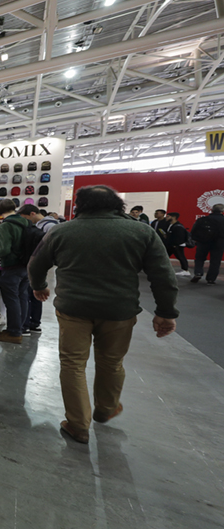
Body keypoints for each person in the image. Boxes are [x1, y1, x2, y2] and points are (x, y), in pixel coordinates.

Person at [28, 185, 177, 444]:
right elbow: (163, 275)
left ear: (79, 205)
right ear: (117, 204)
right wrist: (165, 312)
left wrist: (39, 286)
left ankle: (77, 424)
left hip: (73, 308)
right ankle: (106, 408)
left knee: (72, 364)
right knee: (112, 362)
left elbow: (36, 263)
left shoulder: (63, 231)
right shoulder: (141, 231)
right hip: (119, 310)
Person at [0, 199, 32, 343]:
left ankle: (14, 333)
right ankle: (19, 328)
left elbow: (3, 249)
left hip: (11, 267)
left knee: (12, 300)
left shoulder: (6, 225)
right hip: (25, 266)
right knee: (22, 297)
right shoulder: (26, 221)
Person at [17, 204, 46, 333]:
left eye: (25, 218)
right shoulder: (43, 226)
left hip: (33, 266)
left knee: (28, 295)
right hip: (36, 266)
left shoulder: (43, 226)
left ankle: (26, 325)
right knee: (33, 295)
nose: (25, 221)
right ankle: (33, 323)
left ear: (32, 214)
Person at [189, 203, 224, 284]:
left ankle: (198, 273)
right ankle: (211, 279)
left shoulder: (203, 219)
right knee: (215, 261)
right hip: (219, 243)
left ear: (211, 210)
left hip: (203, 242)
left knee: (199, 258)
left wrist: (195, 239)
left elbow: (194, 230)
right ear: (222, 211)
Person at [161, 212, 190, 276]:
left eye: (168, 216)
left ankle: (186, 270)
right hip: (169, 245)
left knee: (180, 257)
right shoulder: (169, 225)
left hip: (176, 245)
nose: (166, 217)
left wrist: (175, 244)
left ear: (173, 217)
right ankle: (162, 268)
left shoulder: (178, 226)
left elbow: (180, 237)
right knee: (164, 256)